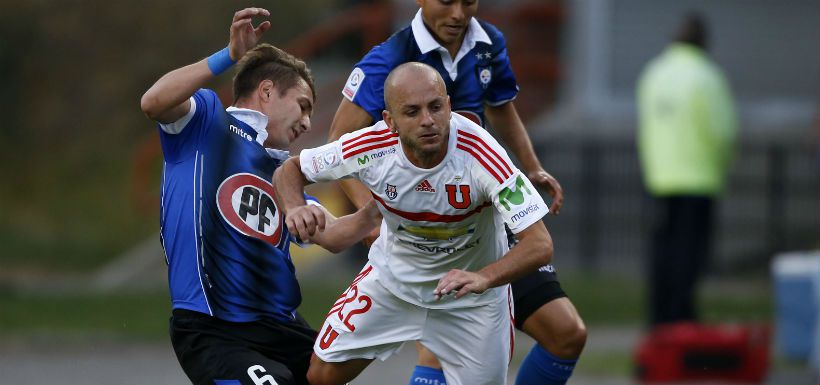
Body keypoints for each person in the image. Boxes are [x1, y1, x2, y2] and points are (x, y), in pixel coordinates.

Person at [328, 1, 586, 384]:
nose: (458, 14)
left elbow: (500, 107)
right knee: (436, 352)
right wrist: (373, 216)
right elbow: (338, 144)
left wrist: (532, 166)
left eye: (468, 1)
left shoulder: (488, 42)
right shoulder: (389, 58)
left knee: (567, 334)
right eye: (446, 1)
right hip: (426, 230)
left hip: (485, 219)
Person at [139, 8, 381, 385]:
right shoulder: (206, 121)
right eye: (303, 106)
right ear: (267, 91)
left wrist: (379, 209)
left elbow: (334, 235)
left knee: (336, 371)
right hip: (215, 332)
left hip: (282, 329)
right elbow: (153, 101)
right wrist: (228, 56)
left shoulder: (285, 177)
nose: (306, 122)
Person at [274, 62, 554, 385]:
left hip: (471, 302)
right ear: (389, 122)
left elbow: (540, 243)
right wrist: (294, 206)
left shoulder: (482, 155)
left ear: (449, 107)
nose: (427, 121)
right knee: (320, 376)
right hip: (393, 285)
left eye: (435, 107)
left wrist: (482, 278)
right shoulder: (369, 147)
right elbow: (291, 169)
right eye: (412, 112)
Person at [637, 12, 737, 327]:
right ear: (704, 42)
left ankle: (658, 318)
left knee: (661, 252)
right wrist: (721, 166)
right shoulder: (708, 76)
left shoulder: (653, 73)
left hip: (658, 178)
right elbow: (723, 131)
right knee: (690, 254)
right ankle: (683, 316)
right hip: (699, 178)